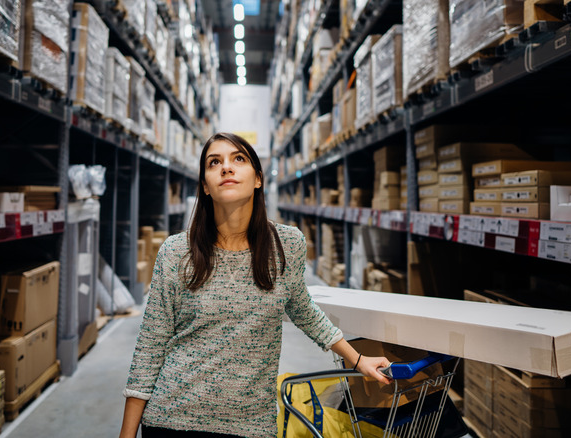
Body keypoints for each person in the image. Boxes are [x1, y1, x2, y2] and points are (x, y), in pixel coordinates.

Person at [119, 133, 391, 438]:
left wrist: (357, 359)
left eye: (238, 159)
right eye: (214, 162)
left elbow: (303, 310)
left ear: (258, 179)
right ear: (206, 186)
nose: (226, 167)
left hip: (250, 424)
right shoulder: (175, 252)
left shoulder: (287, 244)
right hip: (172, 419)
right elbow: (149, 347)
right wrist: (127, 434)